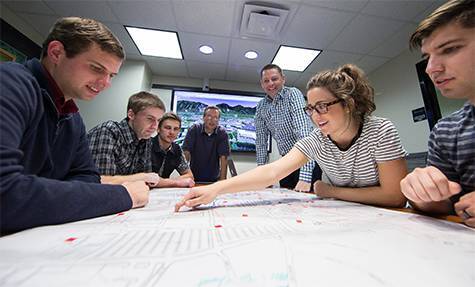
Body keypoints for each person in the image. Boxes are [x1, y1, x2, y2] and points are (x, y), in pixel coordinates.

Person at [176, 64, 408, 211]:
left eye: (323, 106)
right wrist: (216, 189)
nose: (316, 117)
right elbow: (272, 171)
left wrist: (329, 190)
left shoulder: (380, 131)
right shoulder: (318, 139)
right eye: (311, 109)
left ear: (348, 104)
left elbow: (394, 196)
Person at [0, 17, 149, 234]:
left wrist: (42, 197)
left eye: (111, 75)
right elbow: (6, 193)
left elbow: (88, 179)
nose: (106, 83)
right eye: (97, 68)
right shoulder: (10, 84)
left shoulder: (72, 116)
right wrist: (122, 195)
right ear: (56, 53)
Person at [400, 0, 475, 227]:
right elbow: (443, 206)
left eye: (450, 49)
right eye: (427, 58)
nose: (431, 68)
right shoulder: (445, 131)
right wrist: (420, 194)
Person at [256, 64, 321, 192]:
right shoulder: (261, 107)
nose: (270, 84)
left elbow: (304, 134)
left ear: (283, 79)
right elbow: (261, 143)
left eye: (274, 79)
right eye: (266, 81)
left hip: (307, 158)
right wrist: (262, 176)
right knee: (285, 204)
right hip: (286, 161)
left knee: (309, 206)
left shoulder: (293, 94)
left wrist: (305, 177)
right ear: (262, 84)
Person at [87, 91, 166, 185]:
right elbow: (99, 182)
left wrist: (177, 183)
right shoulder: (108, 132)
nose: (155, 126)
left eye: (158, 120)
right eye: (150, 119)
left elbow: (149, 180)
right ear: (131, 114)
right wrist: (142, 177)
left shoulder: (145, 139)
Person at [182, 106, 230, 183]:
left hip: (213, 178)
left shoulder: (222, 133)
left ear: (218, 120)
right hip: (193, 177)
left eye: (215, 117)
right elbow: (186, 152)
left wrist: (222, 181)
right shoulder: (194, 129)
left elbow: (223, 158)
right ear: (203, 118)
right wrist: (184, 175)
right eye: (209, 116)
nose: (212, 120)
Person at [151, 112, 195, 187]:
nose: (172, 132)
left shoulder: (176, 149)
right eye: (168, 128)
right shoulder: (147, 145)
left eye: (176, 129)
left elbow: (189, 176)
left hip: (162, 191)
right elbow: (149, 180)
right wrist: (175, 182)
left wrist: (167, 182)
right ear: (158, 129)